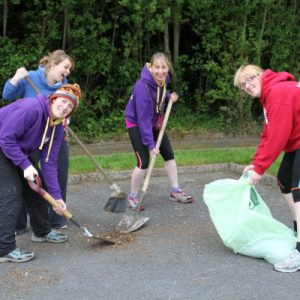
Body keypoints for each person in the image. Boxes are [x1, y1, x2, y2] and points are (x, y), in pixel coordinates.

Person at [0, 83, 81, 263]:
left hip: (16, 151)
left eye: (70, 107)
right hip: (3, 145)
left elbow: (49, 163)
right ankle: (4, 249)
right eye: (63, 101)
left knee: (37, 189)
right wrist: (25, 165)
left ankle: (42, 231)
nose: (65, 107)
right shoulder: (32, 109)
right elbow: (5, 138)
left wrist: (57, 197)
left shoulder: (58, 127)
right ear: (54, 99)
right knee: (11, 193)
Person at [234, 64, 300, 273]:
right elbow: (268, 135)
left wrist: (260, 170)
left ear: (261, 75)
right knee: (284, 181)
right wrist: (256, 162)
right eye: (243, 85)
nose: (247, 85)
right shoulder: (269, 97)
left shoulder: (278, 93)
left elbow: (279, 137)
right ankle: (298, 229)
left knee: (298, 189)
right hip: (297, 143)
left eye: (250, 79)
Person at [2, 49, 74, 231]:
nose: (68, 72)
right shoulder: (31, 80)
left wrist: (63, 119)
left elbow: (66, 106)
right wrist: (16, 78)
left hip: (47, 135)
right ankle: (15, 229)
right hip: (16, 138)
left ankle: (49, 223)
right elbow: (7, 95)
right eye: (65, 67)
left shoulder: (64, 87)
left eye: (70, 69)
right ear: (52, 64)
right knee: (15, 187)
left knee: (46, 177)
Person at [124, 52, 193, 211]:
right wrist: (150, 144)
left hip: (154, 121)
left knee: (168, 154)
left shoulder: (163, 80)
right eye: (157, 67)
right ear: (150, 67)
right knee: (144, 162)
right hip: (137, 123)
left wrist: (169, 96)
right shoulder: (142, 86)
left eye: (164, 67)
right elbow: (143, 119)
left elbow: (158, 95)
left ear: (167, 68)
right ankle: (133, 195)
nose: (160, 71)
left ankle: (175, 191)